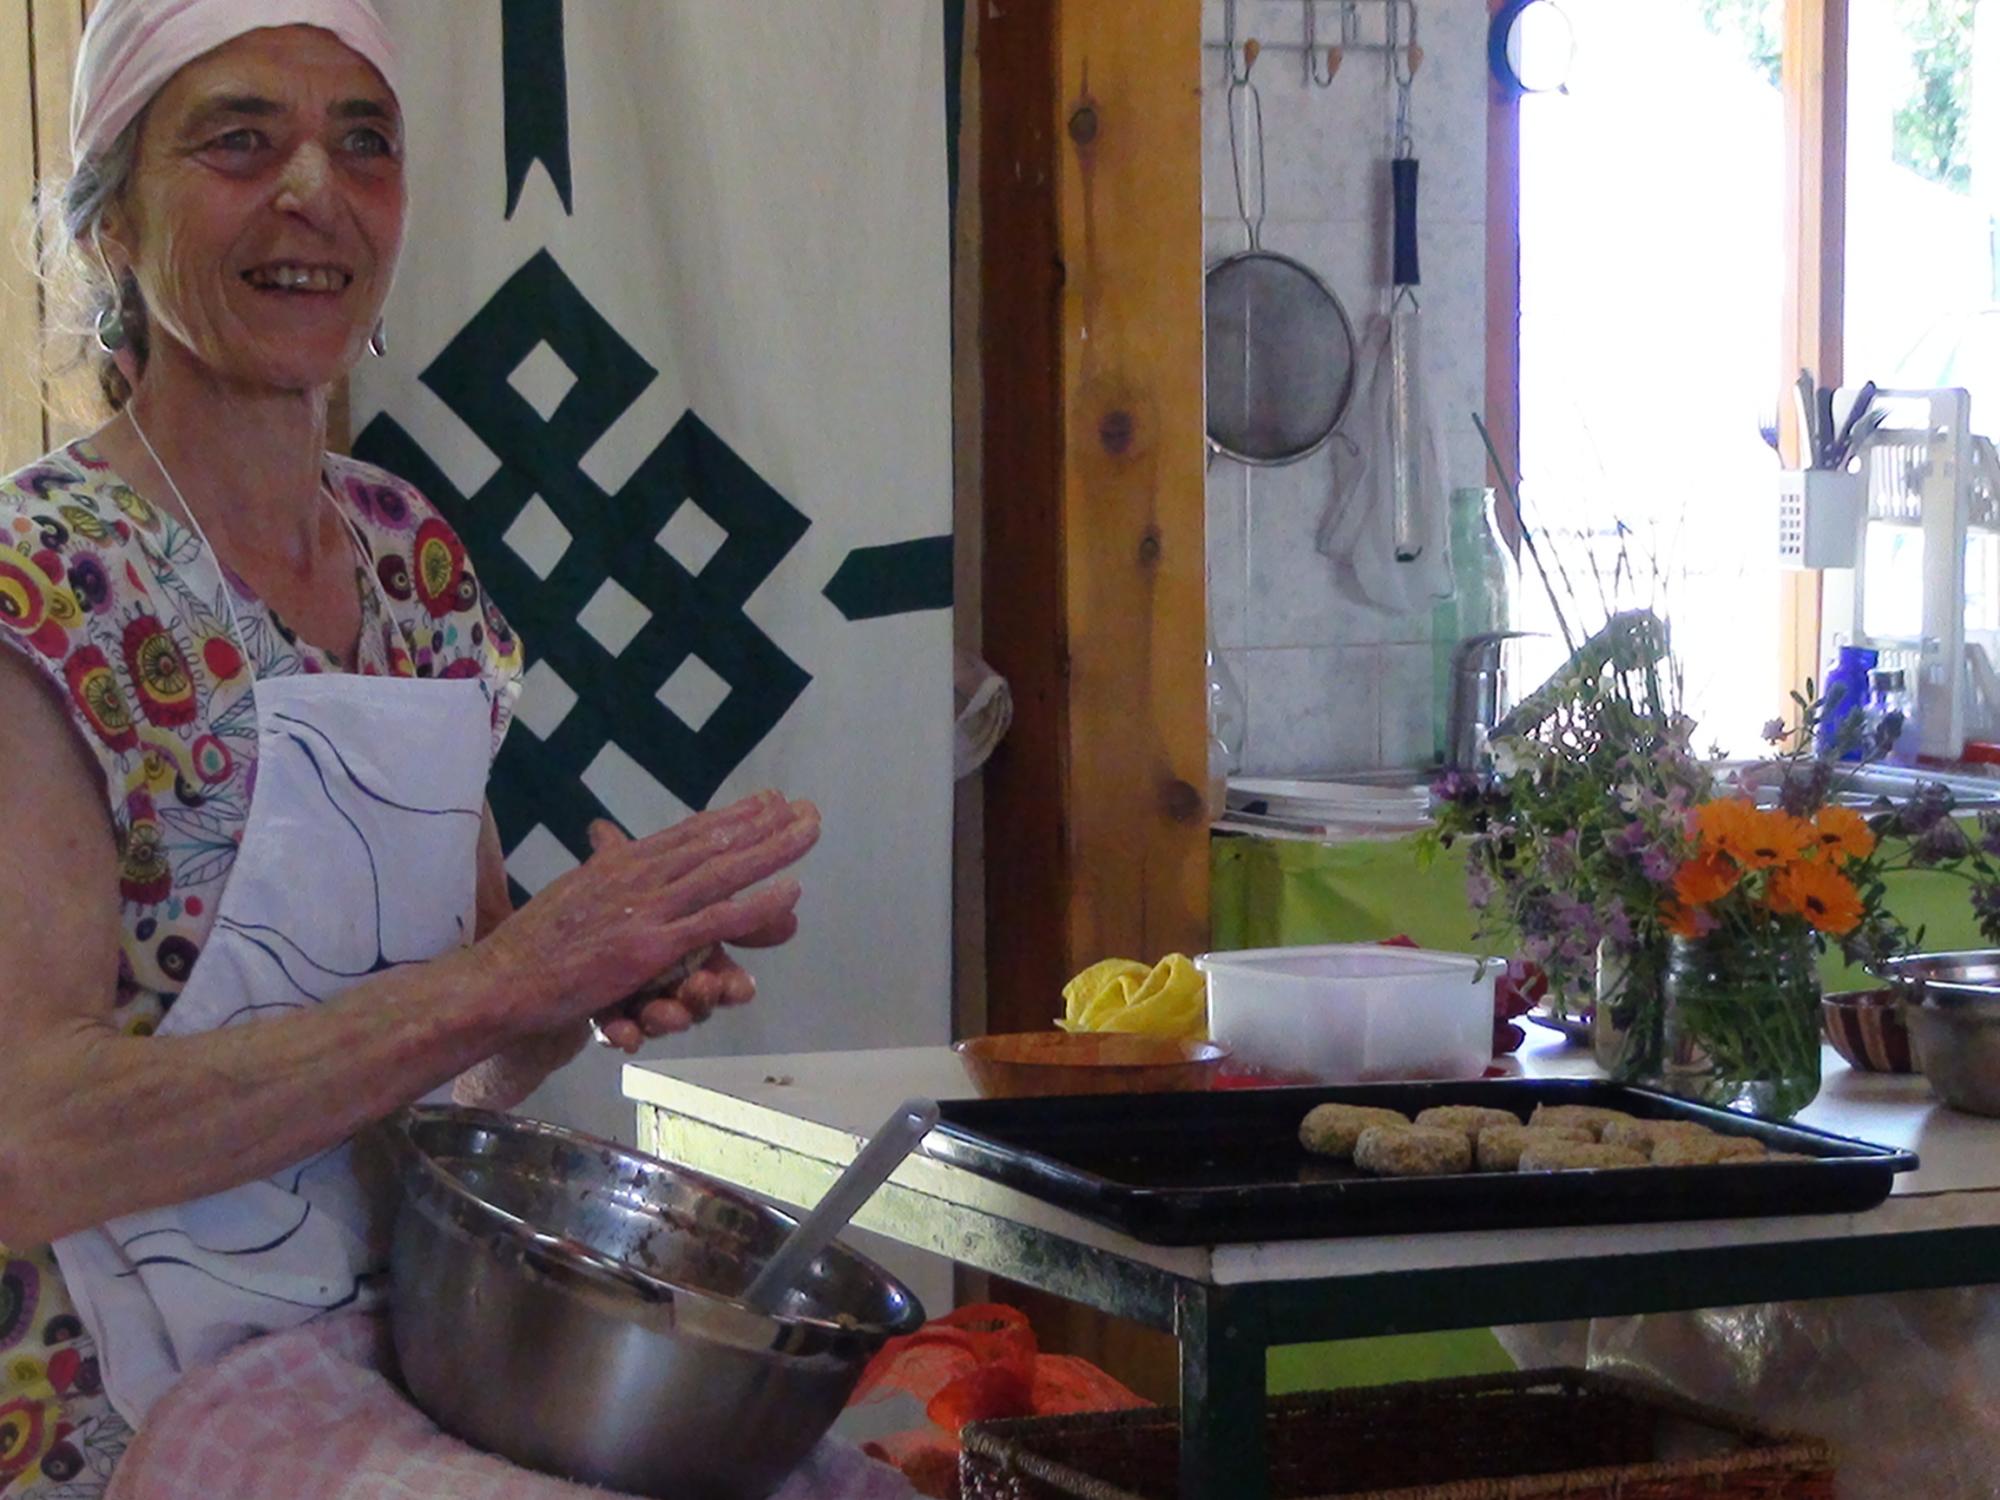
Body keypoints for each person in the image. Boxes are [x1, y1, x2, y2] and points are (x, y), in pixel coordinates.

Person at [0, 3, 826, 1494]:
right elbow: (24, 1144)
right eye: (240, 140)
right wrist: (506, 979)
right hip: (102, 1417)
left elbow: (453, 1074)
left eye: (363, 143)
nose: (315, 190)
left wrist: (581, 979)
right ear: (112, 218)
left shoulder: (409, 560)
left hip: (385, 1355)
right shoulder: (41, 586)